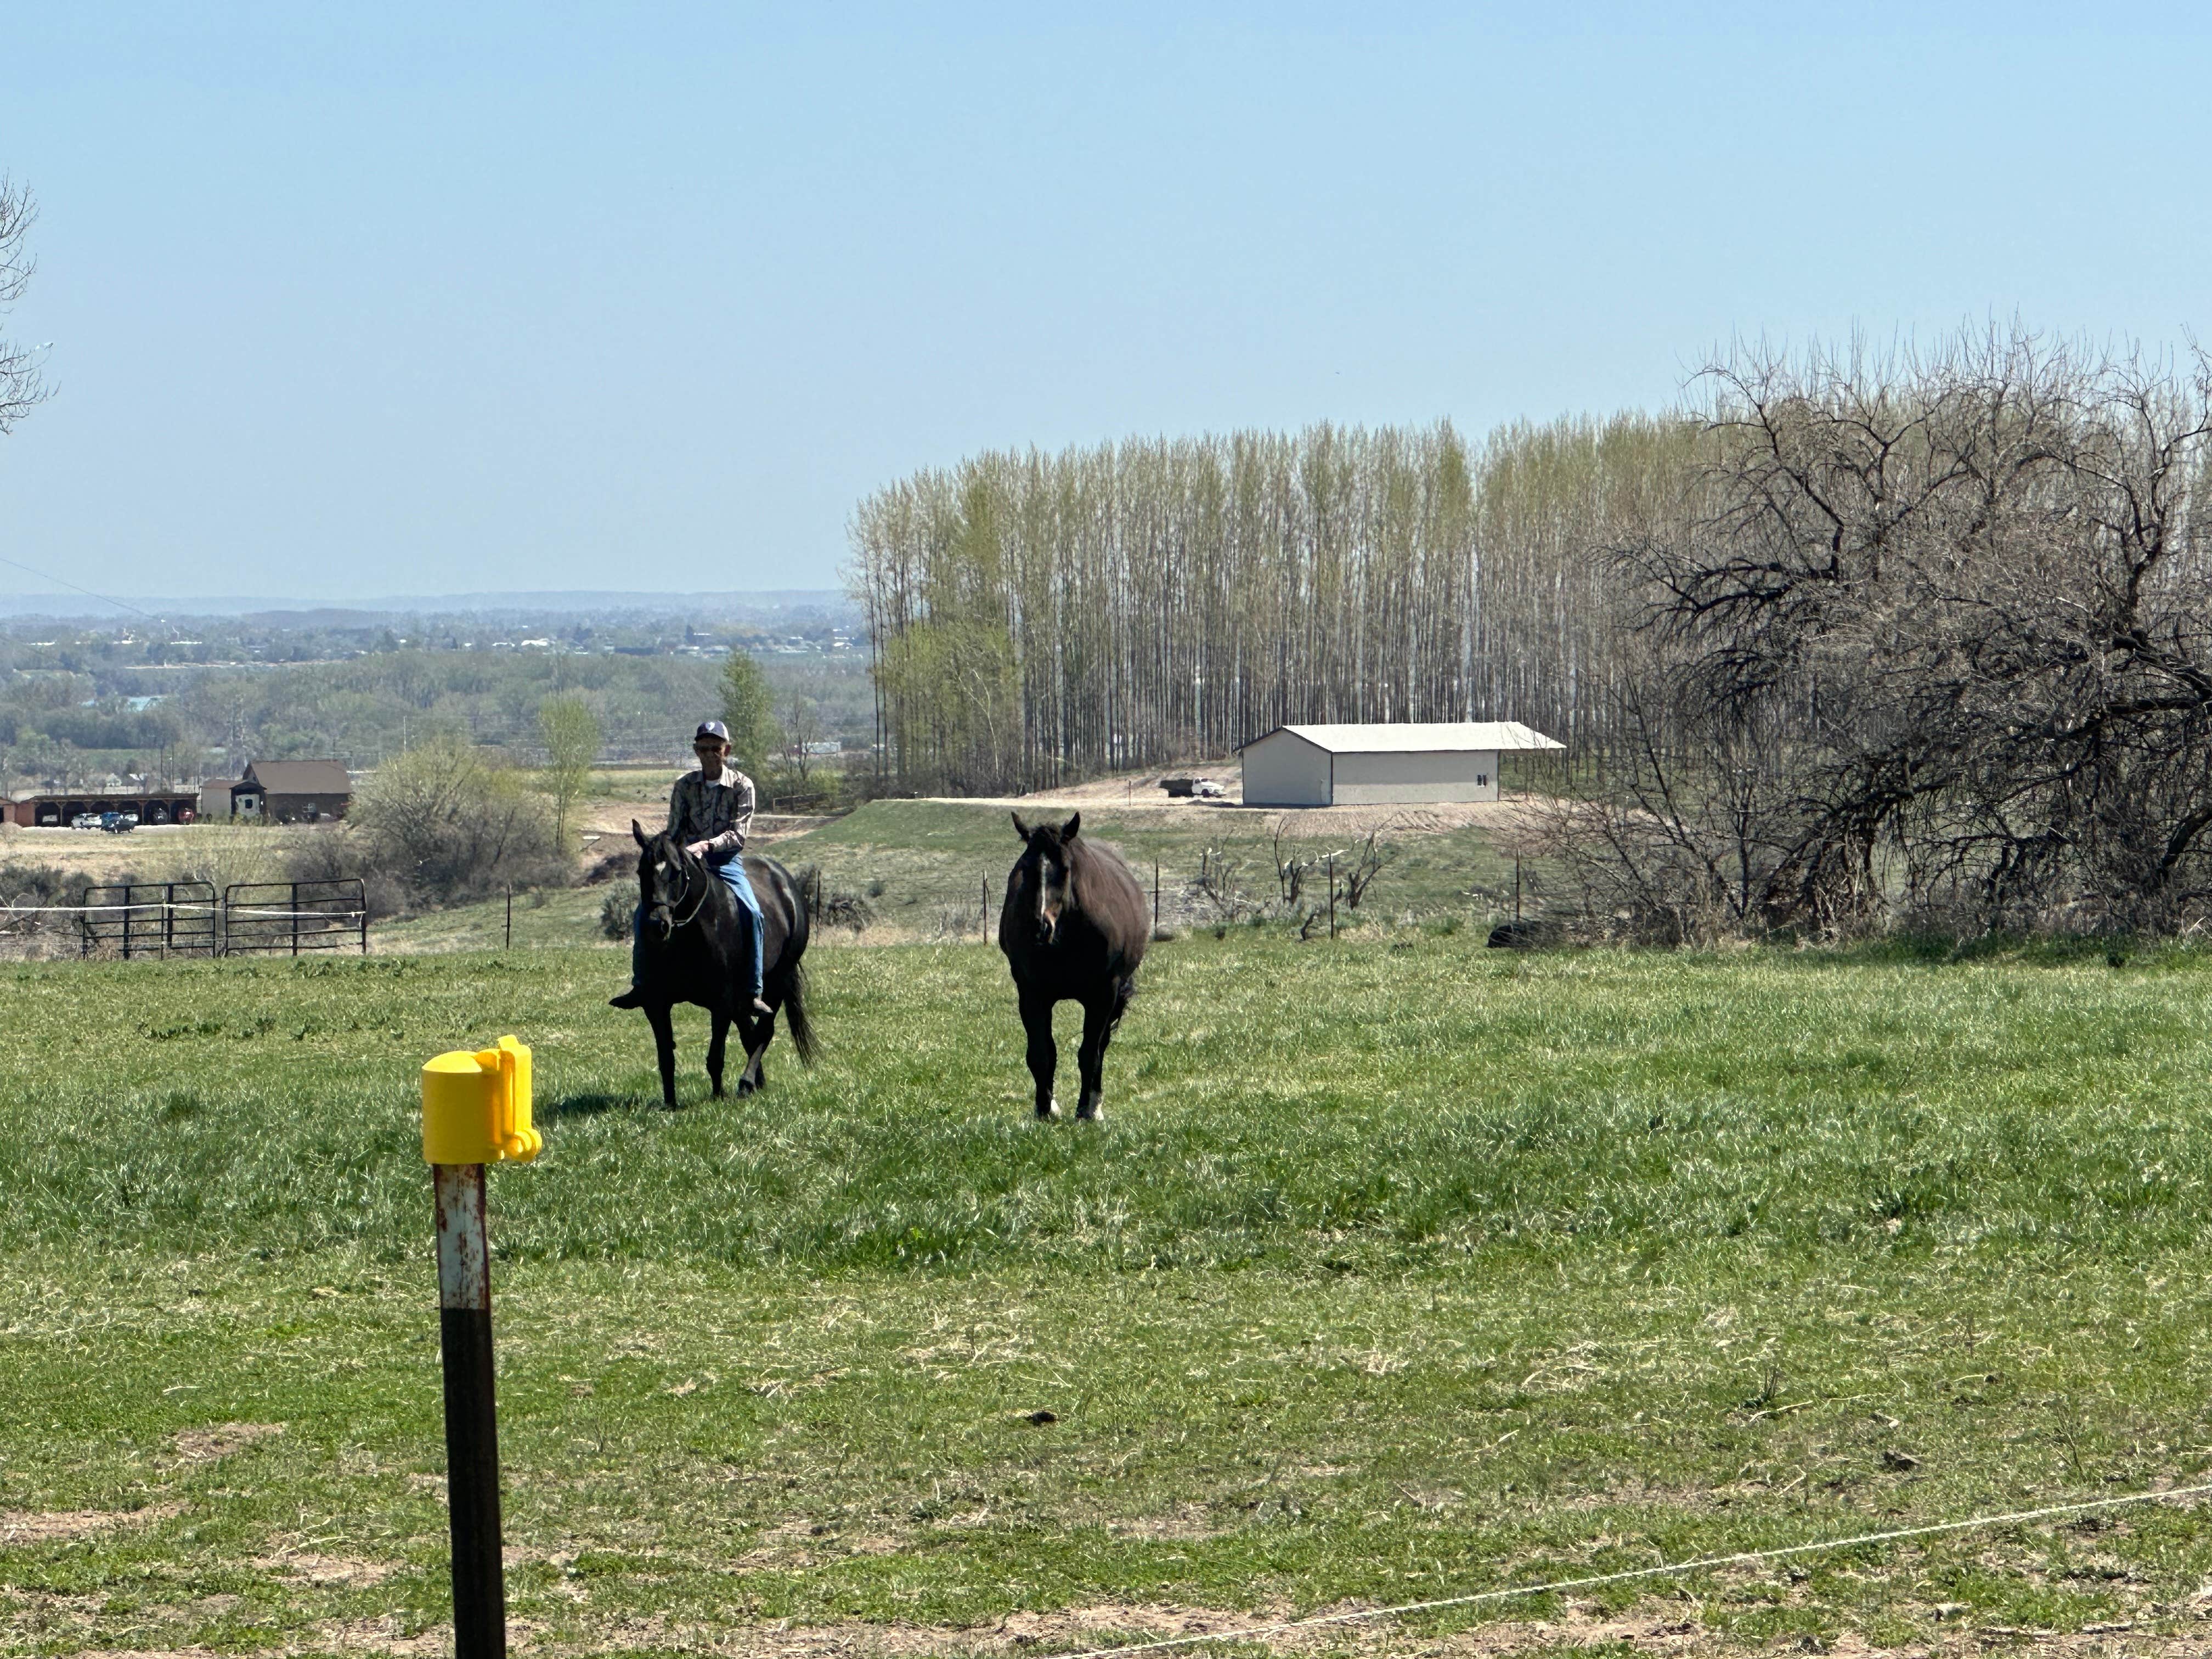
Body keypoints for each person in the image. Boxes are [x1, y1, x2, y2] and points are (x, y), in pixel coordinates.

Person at [610, 719, 770, 1016]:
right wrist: (665, 849)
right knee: (643, 912)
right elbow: (675, 829)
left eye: (715, 748)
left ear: (727, 750)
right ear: (696, 751)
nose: (709, 754)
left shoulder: (742, 786)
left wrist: (707, 846)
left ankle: (753, 990)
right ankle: (641, 984)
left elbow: (739, 834)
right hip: (685, 862)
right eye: (703, 748)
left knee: (753, 912)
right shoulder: (684, 786)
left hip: (724, 862)